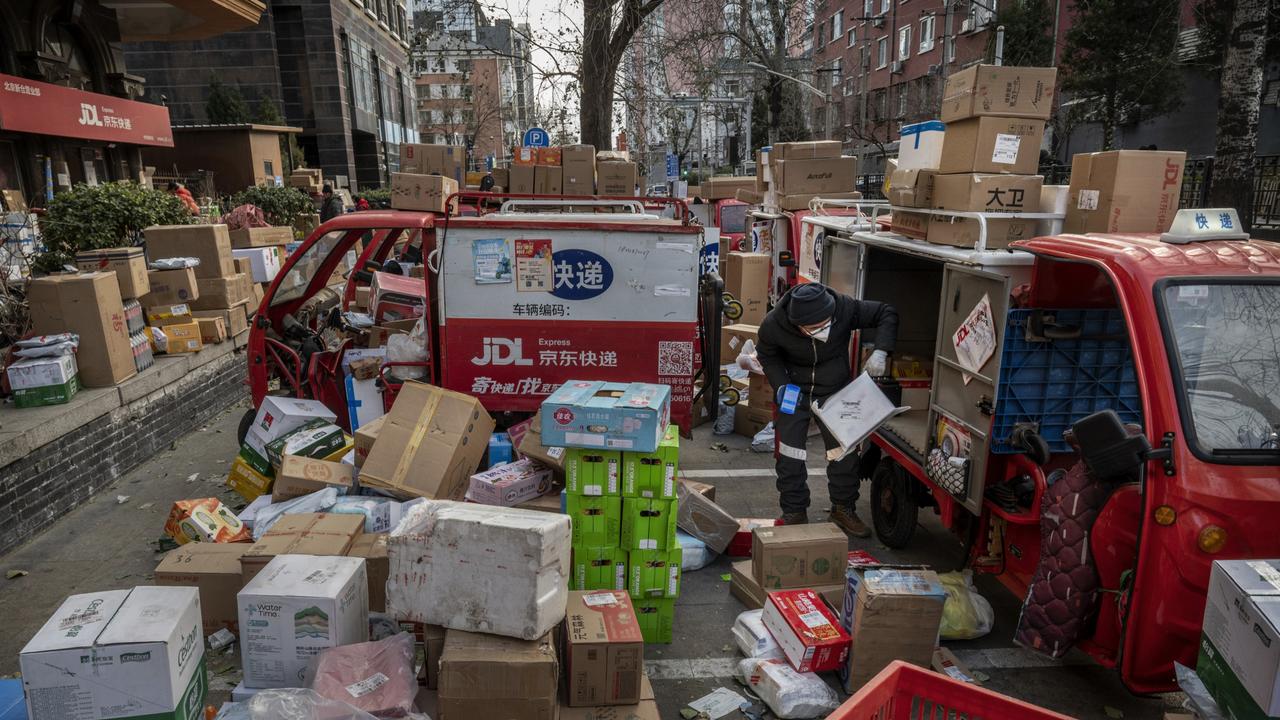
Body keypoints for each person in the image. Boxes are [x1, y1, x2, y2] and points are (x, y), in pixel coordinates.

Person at [756, 282, 899, 537]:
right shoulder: (774, 324)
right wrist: (781, 386)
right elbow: (767, 354)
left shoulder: (843, 307)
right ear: (796, 324)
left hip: (835, 390)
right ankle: (794, 511)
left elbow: (886, 312)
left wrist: (881, 351)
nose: (822, 331)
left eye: (826, 324)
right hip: (795, 390)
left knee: (843, 452)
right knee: (789, 454)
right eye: (814, 329)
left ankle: (843, 508)